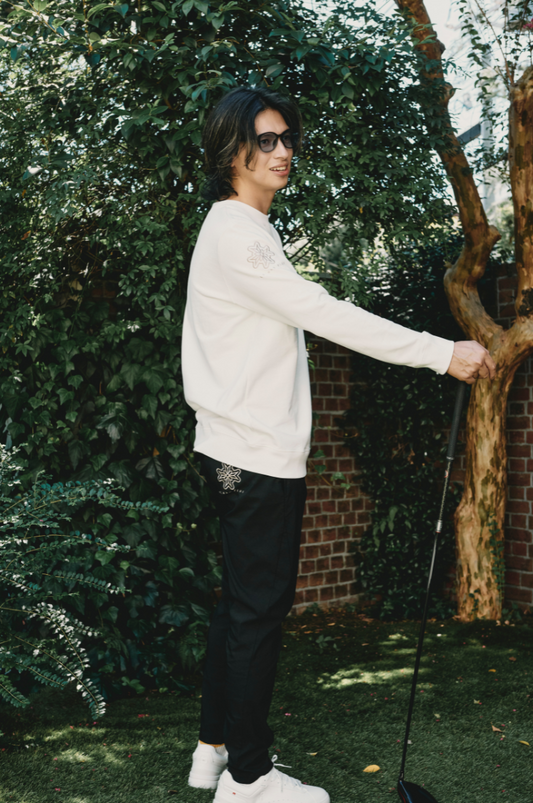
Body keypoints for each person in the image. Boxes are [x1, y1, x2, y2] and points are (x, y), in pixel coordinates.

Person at [181, 85, 495, 803]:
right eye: (265, 140)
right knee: (257, 614)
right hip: (252, 453)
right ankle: (249, 780)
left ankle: (213, 752)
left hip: (237, 449)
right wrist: (439, 352)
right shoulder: (237, 234)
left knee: (240, 607)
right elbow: (323, 312)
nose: (283, 151)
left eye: (287, 138)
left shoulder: (242, 229)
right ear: (231, 150)